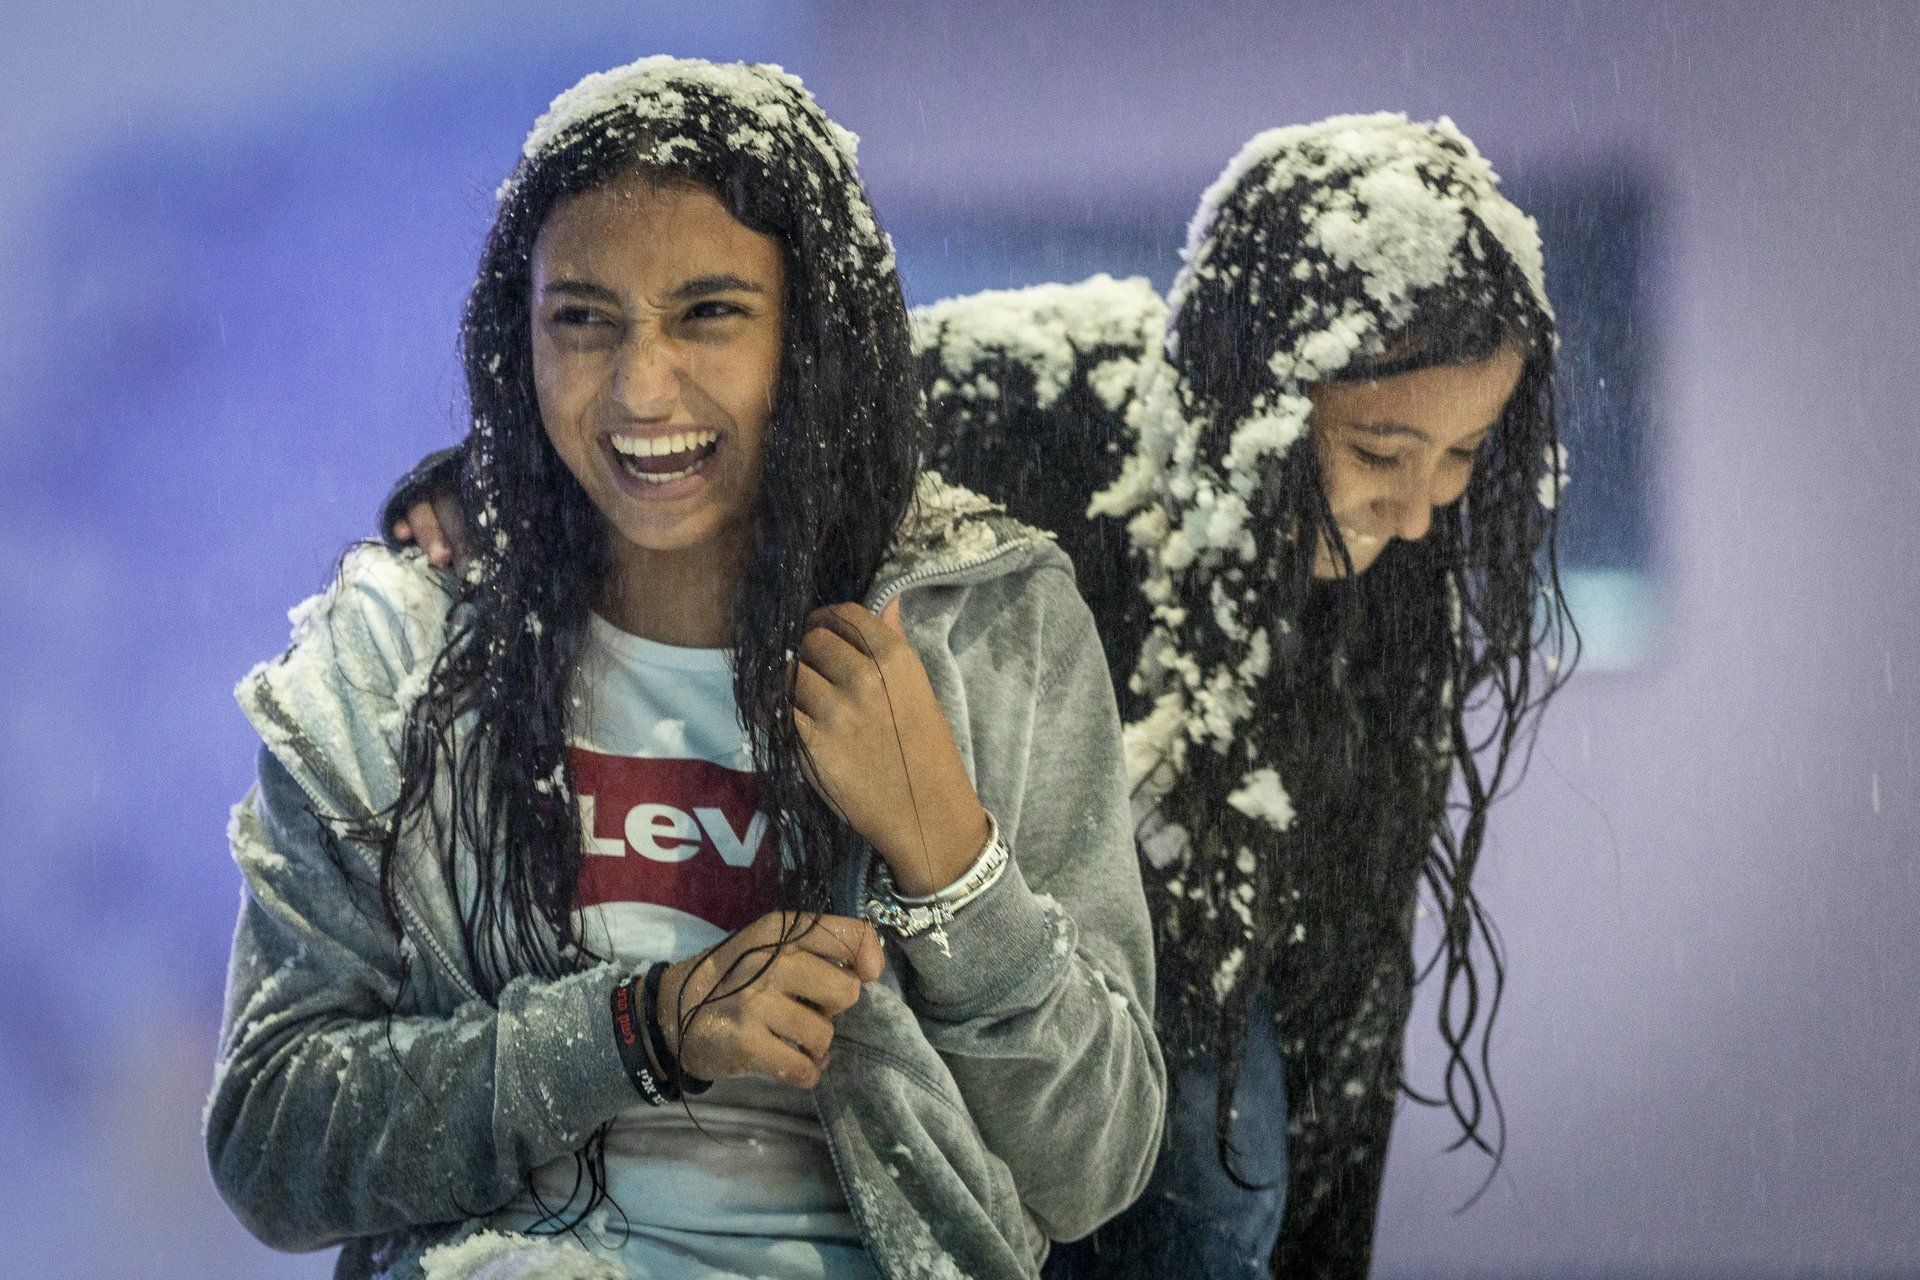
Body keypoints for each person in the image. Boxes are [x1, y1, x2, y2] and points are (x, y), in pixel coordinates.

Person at [387, 112, 1575, 1277]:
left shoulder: (1397, 604)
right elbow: (738, 420)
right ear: (1252, 396)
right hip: (908, 945)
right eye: (1379, 452)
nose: (1421, 508)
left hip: (1126, 996)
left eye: (1466, 455)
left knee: (1230, 1169)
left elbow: (1347, 1025)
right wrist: (495, 489)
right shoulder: (1023, 393)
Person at [208, 56, 1163, 1280]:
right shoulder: (400, 646)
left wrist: (954, 865)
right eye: (584, 319)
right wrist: (641, 1029)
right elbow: (273, 1141)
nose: (642, 386)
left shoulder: (985, 622)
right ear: (521, 343)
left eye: (709, 311)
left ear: (812, 338)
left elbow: (1096, 1166)